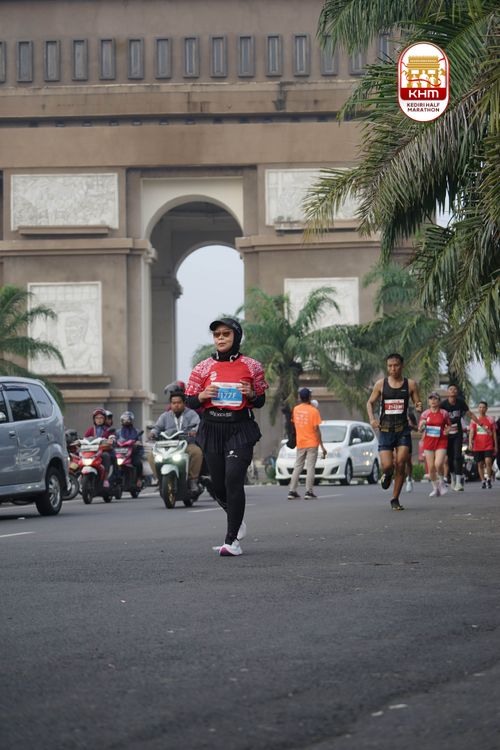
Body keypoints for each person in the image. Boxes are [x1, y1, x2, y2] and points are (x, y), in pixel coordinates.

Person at [185, 317, 268, 557]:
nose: (220, 338)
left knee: (233, 478)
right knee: (218, 485)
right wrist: (202, 396)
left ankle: (231, 541)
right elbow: (190, 400)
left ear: (236, 337)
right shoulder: (202, 368)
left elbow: (260, 400)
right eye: (217, 335)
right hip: (212, 429)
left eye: (226, 334)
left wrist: (251, 394)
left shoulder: (252, 366)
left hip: (239, 428)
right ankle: (236, 519)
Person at [366, 353, 422, 511]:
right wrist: (372, 419)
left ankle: (395, 498)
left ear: (402, 366)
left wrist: (419, 406)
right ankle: (387, 474)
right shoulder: (381, 384)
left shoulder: (410, 384)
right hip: (385, 430)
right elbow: (370, 403)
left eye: (396, 365)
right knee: (387, 465)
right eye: (390, 366)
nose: (393, 369)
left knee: (401, 462)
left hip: (402, 430)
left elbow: (417, 401)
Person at [150, 389, 203, 491]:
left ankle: (193, 480)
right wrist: (153, 433)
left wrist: (194, 431)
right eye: (173, 403)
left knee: (197, 452)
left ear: (184, 403)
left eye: (179, 403)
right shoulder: (165, 416)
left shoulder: (191, 414)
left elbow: (197, 425)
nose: (176, 405)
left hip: (186, 444)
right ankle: (160, 479)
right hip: (167, 445)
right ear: (170, 404)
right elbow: (157, 428)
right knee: (151, 455)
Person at [287, 388, 327, 500]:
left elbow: (294, 424)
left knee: (297, 466)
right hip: (312, 443)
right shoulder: (314, 411)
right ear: (309, 397)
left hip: (300, 442)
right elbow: (316, 430)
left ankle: (292, 491)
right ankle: (309, 491)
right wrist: (322, 446)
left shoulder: (295, 409)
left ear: (300, 398)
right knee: (310, 467)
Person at [440, 384, 480, 491]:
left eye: (455, 389)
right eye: (451, 389)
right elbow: (438, 418)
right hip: (447, 435)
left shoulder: (460, 402)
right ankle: (452, 478)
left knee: (458, 456)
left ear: (457, 392)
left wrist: (480, 423)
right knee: (450, 458)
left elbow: (470, 414)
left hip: (458, 433)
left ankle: (458, 482)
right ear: (447, 392)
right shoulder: (443, 405)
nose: (453, 391)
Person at [419, 392, 451, 497]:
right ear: (428, 401)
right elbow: (420, 429)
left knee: (438, 463)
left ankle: (442, 482)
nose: (433, 401)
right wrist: (422, 426)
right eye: (431, 399)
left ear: (439, 401)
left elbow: (449, 425)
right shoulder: (425, 414)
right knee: (431, 467)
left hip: (441, 441)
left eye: (435, 399)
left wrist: (447, 430)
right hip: (428, 442)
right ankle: (435, 488)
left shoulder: (444, 413)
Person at [469, 400, 497, 489]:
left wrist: (496, 445)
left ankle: (488, 479)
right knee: (480, 464)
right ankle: (483, 481)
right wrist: (470, 442)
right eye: (480, 407)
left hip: (488, 445)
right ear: (478, 408)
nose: (482, 409)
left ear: (486, 409)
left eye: (483, 407)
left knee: (488, 462)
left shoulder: (490, 419)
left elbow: (494, 433)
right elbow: (471, 432)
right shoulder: (474, 420)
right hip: (477, 446)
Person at [83, 408, 114, 487]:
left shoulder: (108, 430)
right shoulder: (90, 430)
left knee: (106, 456)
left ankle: (105, 479)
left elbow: (112, 437)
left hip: (103, 451)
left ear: (104, 419)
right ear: (94, 419)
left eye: (101, 418)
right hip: (92, 452)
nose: (99, 420)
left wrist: (111, 440)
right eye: (97, 418)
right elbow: (84, 438)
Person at [115, 411, 144, 487]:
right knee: (114, 463)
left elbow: (139, 442)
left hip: (133, 452)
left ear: (131, 420)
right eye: (124, 420)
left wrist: (137, 443)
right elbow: (115, 440)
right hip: (121, 452)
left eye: (128, 420)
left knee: (138, 463)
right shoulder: (118, 432)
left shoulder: (136, 431)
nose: (126, 421)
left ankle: (139, 479)